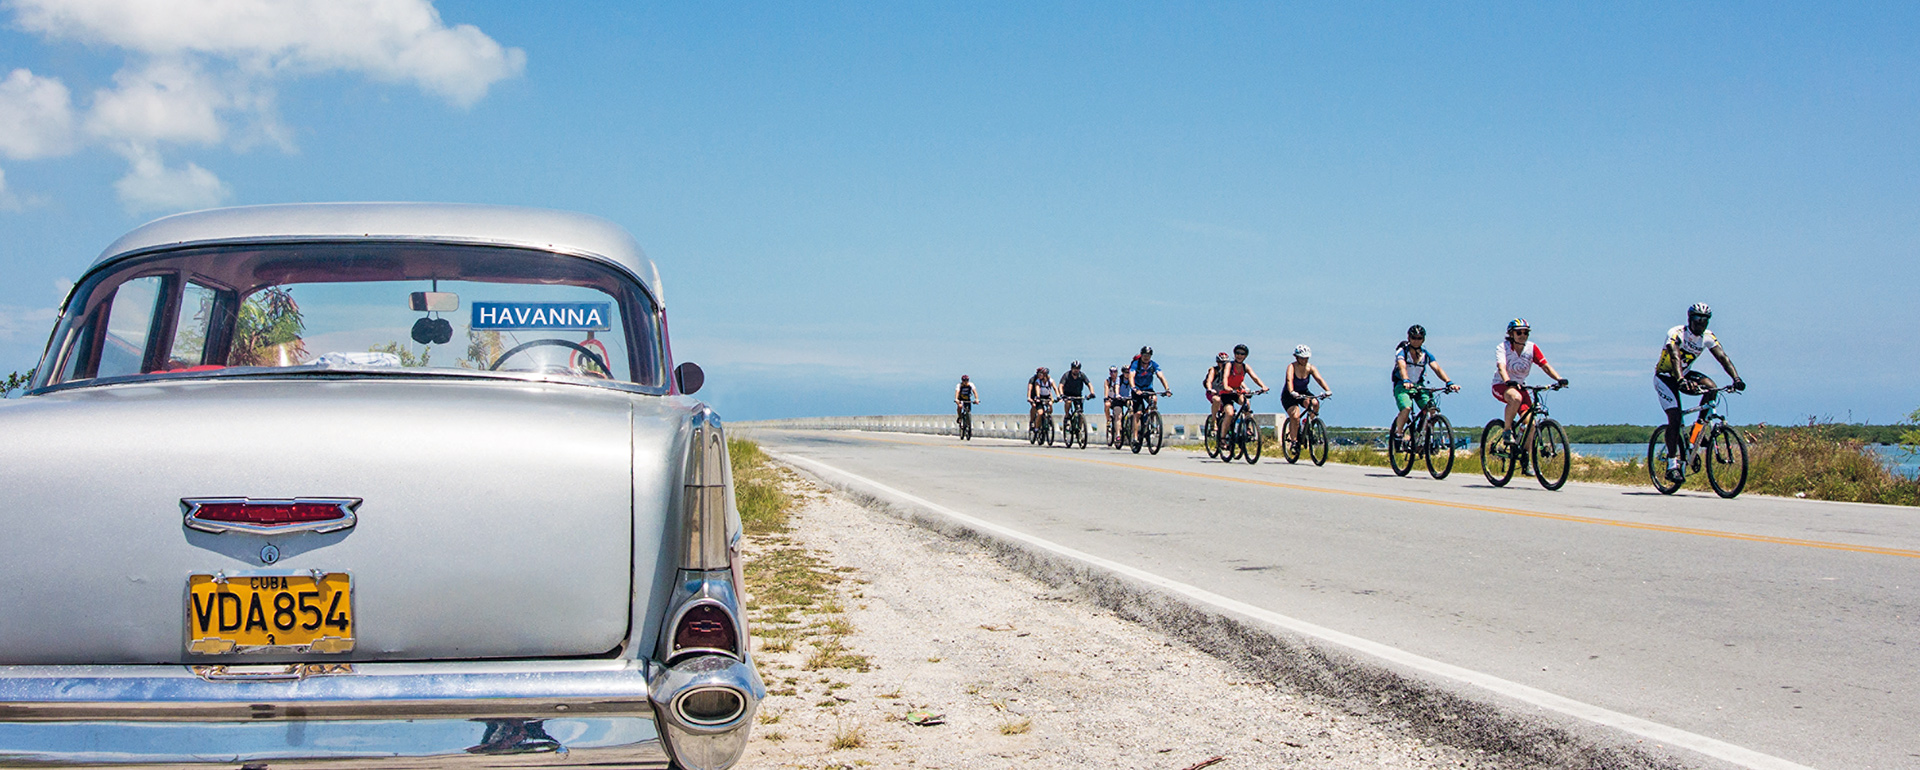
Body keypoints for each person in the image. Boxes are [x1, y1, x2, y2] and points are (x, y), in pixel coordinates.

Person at [1655, 303, 1745, 482]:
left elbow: (1723, 358)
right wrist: (1680, 380)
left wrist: (1736, 379)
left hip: (1686, 374)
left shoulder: (1708, 337)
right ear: (1690, 319)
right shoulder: (1677, 333)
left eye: (1705, 320)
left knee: (1712, 388)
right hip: (1666, 377)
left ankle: (1699, 432)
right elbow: (1675, 357)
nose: (1701, 323)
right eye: (1698, 319)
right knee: (1674, 417)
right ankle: (1672, 466)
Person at [1492, 318, 1569, 444]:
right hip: (1501, 385)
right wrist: (1507, 381)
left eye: (1526, 332)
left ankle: (1526, 459)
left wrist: (1559, 379)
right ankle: (1507, 430)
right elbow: (1501, 367)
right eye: (1519, 332)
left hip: (1520, 386)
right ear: (1511, 334)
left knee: (1531, 425)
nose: (1523, 336)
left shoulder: (1531, 348)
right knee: (1515, 398)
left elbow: (1545, 366)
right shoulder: (1503, 347)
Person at [1390, 325, 1458, 447]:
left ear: (1423, 339)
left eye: (1419, 338)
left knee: (1431, 409)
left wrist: (1449, 382)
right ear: (1409, 338)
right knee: (1406, 408)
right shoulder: (1402, 352)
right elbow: (1402, 366)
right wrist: (1405, 380)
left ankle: (1425, 437)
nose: (1416, 340)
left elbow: (1437, 368)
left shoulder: (1425, 354)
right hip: (1402, 385)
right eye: (1414, 338)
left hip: (1419, 386)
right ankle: (1398, 433)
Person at [1205, 344, 1269, 436]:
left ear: (1245, 356)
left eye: (1242, 354)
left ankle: (1248, 428)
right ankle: (1222, 437)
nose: (1239, 356)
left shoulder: (1245, 367)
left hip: (1237, 392)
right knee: (1230, 414)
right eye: (1237, 353)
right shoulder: (1228, 365)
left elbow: (1255, 378)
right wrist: (1226, 386)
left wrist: (1263, 386)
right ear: (1234, 354)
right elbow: (1225, 377)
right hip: (1226, 393)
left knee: (1246, 404)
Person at [1280, 345, 1331, 448]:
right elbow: (1289, 380)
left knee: (1315, 403)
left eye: (1306, 358)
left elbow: (1319, 379)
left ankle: (1306, 425)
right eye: (1302, 358)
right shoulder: (1292, 367)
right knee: (1295, 416)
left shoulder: (1310, 367)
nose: (1304, 360)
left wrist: (1327, 390)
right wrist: (1292, 391)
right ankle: (1294, 441)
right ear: (1296, 357)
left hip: (1303, 392)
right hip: (1289, 395)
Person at [1122, 346, 1172, 438]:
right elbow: (1131, 376)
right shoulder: (1136, 364)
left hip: (1148, 389)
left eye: (1148, 355)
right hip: (1137, 389)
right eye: (1144, 355)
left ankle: (1151, 419)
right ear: (1141, 355)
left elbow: (1161, 376)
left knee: (1154, 399)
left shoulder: (1153, 365)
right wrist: (1134, 388)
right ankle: (1135, 436)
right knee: (1138, 413)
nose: (1146, 357)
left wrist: (1167, 389)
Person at [1027, 366, 1056, 436]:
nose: (1040, 375)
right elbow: (1030, 389)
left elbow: (1050, 389)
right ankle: (1032, 421)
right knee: (1034, 406)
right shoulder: (1033, 379)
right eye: (1039, 373)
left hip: (1043, 395)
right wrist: (1029, 397)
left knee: (1048, 409)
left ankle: (1045, 420)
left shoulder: (1047, 380)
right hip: (1034, 395)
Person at [1104, 365, 1131, 436]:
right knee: (1108, 405)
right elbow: (1110, 389)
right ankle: (1109, 420)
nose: (1113, 373)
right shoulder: (1109, 381)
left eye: (1115, 372)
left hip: (1125, 398)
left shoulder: (1128, 379)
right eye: (1111, 372)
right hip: (1114, 398)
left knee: (1132, 407)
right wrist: (1107, 397)